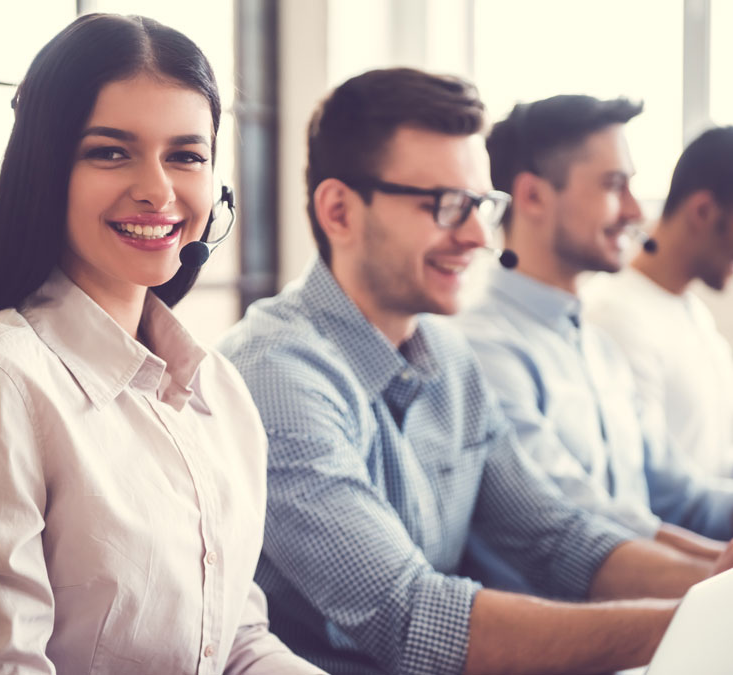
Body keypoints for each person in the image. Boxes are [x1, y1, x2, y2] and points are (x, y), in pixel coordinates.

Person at [218, 68, 733, 675]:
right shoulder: (276, 374)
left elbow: (555, 537)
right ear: (339, 211)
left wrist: (711, 586)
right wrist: (701, 622)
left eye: (482, 206)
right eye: (445, 206)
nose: (476, 236)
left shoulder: (447, 355)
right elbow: (411, 614)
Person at [0, 14, 322, 674]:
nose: (158, 189)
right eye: (111, 151)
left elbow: (238, 641)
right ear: (46, 170)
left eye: (187, 155)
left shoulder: (219, 392)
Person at [456, 95, 733, 582]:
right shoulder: (484, 350)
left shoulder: (598, 346)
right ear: (534, 197)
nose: (633, 210)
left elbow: (681, 494)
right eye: (614, 185)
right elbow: (578, 522)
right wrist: (710, 570)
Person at [584, 126, 733, 478]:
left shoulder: (690, 309)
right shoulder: (614, 315)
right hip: (677, 532)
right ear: (703, 211)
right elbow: (648, 482)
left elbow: (712, 458)